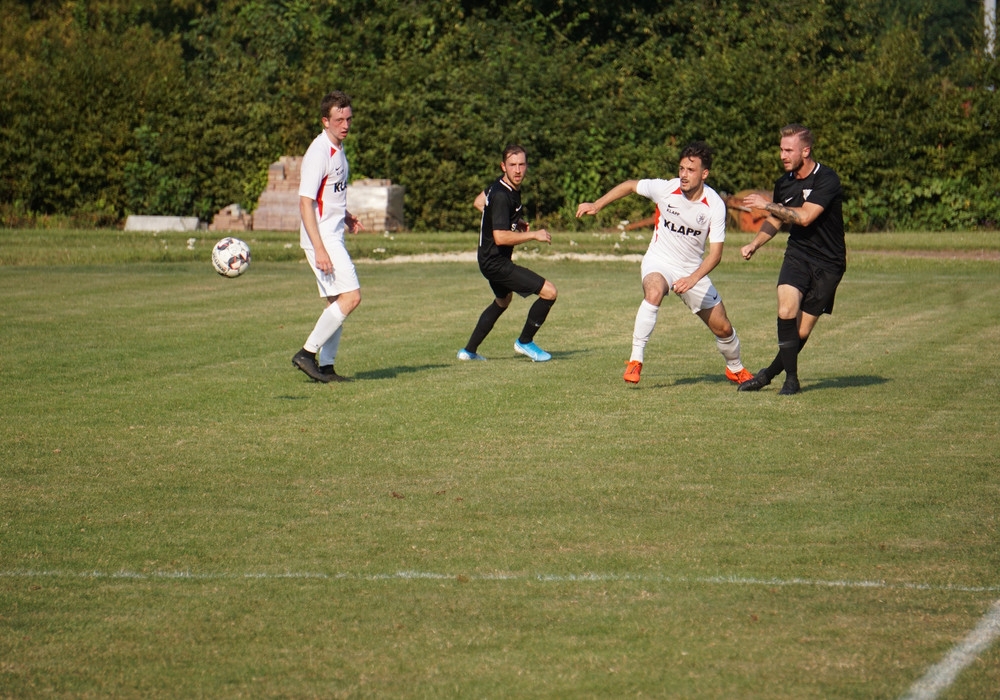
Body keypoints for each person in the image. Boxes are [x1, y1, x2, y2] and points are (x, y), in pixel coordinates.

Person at [576, 141, 753, 386]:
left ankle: (735, 368)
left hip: (692, 270)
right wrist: (597, 205)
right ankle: (635, 360)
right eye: (681, 168)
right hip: (659, 259)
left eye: (691, 170)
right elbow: (630, 185)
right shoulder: (666, 188)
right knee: (654, 291)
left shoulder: (714, 205)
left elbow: (715, 255)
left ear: (704, 174)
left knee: (723, 328)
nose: (684, 175)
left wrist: (692, 279)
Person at [737, 124, 846, 395]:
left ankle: (767, 375)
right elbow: (777, 218)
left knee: (800, 333)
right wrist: (754, 244)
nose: (783, 155)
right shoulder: (783, 183)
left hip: (829, 263)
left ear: (805, 151)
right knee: (786, 309)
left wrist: (766, 204)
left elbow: (805, 217)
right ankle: (791, 380)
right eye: (781, 149)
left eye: (789, 150)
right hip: (798, 254)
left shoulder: (826, 179)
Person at [457, 144, 558, 362]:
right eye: (512, 165)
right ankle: (525, 342)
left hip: (487, 259)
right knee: (549, 292)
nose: (517, 170)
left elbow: (479, 202)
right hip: (496, 262)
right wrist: (534, 235)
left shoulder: (499, 187)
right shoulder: (502, 195)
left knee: (503, 301)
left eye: (521, 164)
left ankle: (468, 351)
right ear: (503, 166)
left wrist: (511, 220)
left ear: (527, 166)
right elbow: (501, 238)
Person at [290, 90, 366, 383]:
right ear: (325, 121)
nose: (345, 125)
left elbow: (329, 195)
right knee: (352, 297)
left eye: (348, 119)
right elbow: (305, 203)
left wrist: (345, 216)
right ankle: (306, 353)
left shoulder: (338, 148)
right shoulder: (318, 152)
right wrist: (319, 248)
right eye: (338, 120)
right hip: (322, 238)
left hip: (332, 234)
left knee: (336, 303)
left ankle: (326, 367)